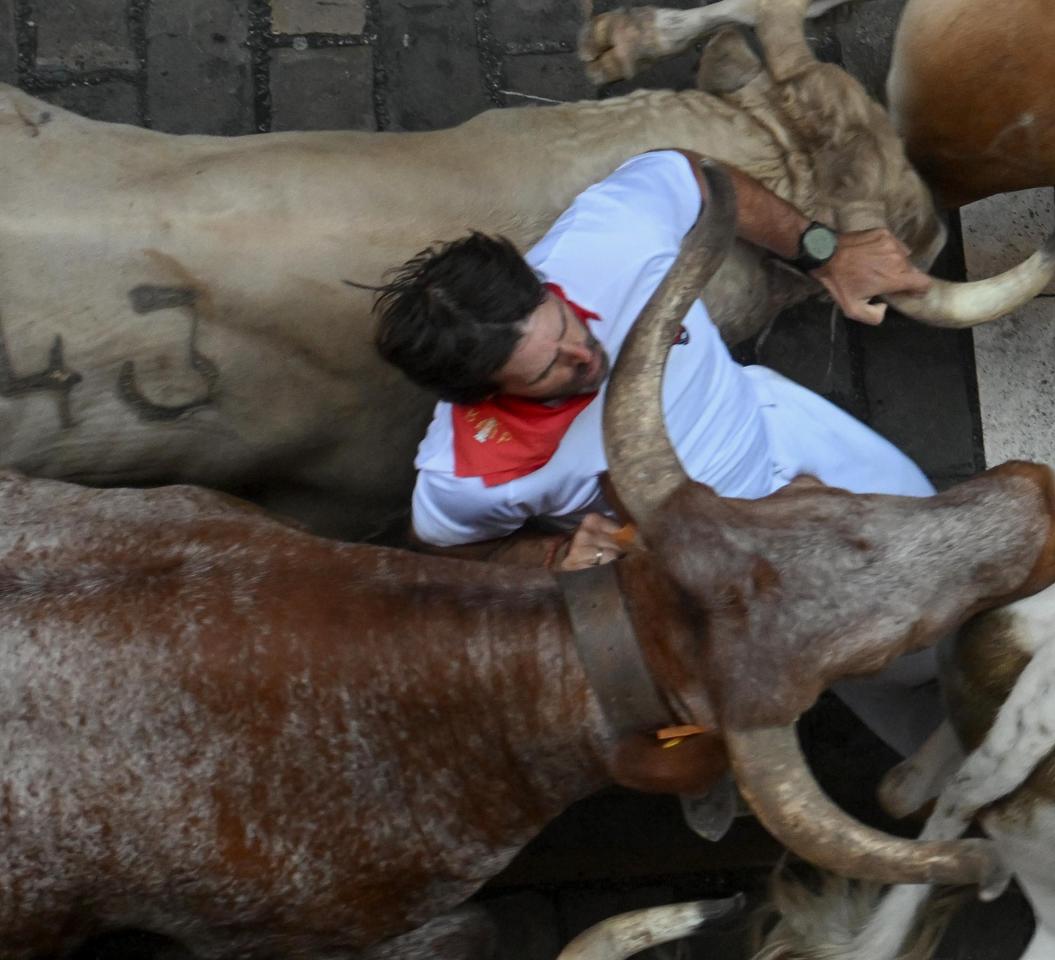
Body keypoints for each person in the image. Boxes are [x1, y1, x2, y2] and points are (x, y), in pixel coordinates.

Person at [371, 149, 941, 752]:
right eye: (548, 371)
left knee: (947, 573)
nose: (583, 355)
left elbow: (695, 176)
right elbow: (449, 552)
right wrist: (554, 556)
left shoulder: (610, 237)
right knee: (885, 668)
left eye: (563, 321)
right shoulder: (467, 473)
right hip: (718, 571)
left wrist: (824, 252)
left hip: (792, 439)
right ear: (484, 394)